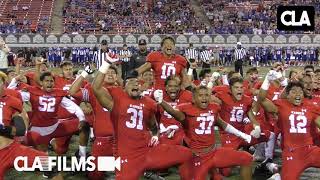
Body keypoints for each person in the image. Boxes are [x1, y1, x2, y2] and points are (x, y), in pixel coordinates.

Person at [92, 57, 194, 180]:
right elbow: (96, 88)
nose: (135, 83)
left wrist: (156, 135)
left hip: (148, 152)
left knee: (187, 154)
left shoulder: (149, 103)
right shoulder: (117, 101)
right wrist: (107, 62)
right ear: (123, 87)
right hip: (128, 157)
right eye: (131, 82)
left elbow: (153, 126)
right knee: (97, 169)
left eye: (137, 82)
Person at [154, 85, 253, 180]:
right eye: (200, 95)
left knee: (246, 158)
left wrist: (242, 135)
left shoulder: (213, 108)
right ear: (193, 99)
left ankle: (213, 173)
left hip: (212, 153)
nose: (204, 98)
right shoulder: (187, 110)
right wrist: (161, 101)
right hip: (196, 156)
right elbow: (174, 113)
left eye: (206, 95)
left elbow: (223, 124)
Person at [256, 72, 320, 179]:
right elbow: (262, 100)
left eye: (300, 92)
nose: (298, 94)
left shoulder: (310, 107)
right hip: (292, 152)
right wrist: (266, 81)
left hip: (309, 150)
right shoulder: (281, 105)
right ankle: (277, 176)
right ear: (287, 95)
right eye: (294, 92)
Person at [0, 71, 62, 179]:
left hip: (11, 149)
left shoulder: (12, 100)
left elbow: (20, 129)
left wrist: (2, 128)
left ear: (3, 83)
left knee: (50, 165)